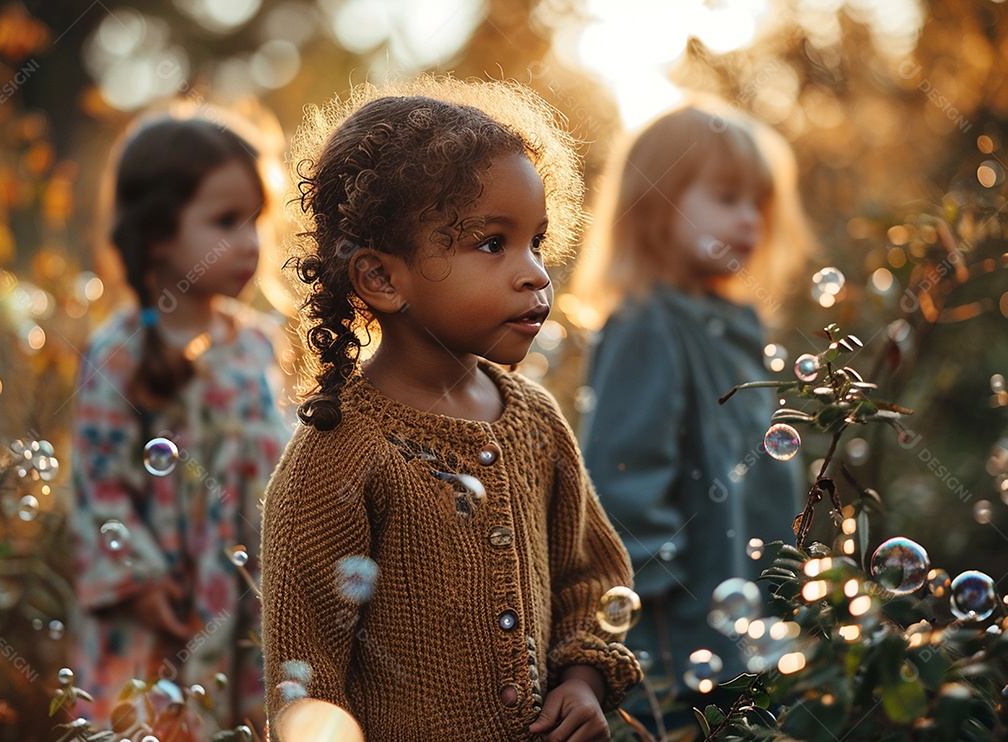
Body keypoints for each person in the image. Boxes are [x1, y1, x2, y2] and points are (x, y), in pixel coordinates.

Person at [260, 76, 642, 742]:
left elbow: (591, 578)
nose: (536, 273)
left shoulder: (535, 420)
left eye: (537, 241)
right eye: (492, 243)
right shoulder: (338, 455)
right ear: (382, 278)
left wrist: (583, 681)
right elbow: (306, 671)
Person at [572, 104, 813, 734]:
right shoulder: (647, 325)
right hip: (677, 654)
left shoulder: (738, 327)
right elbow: (623, 494)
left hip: (750, 639)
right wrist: (660, 626)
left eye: (758, 202)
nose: (749, 218)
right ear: (656, 206)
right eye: (727, 197)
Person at [68, 114, 293, 732]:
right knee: (158, 719)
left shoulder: (258, 344)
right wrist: (135, 581)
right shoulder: (119, 352)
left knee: (243, 719)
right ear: (159, 232)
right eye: (225, 221)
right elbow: (99, 484)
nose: (250, 243)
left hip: (247, 594)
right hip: (162, 604)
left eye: (256, 221)